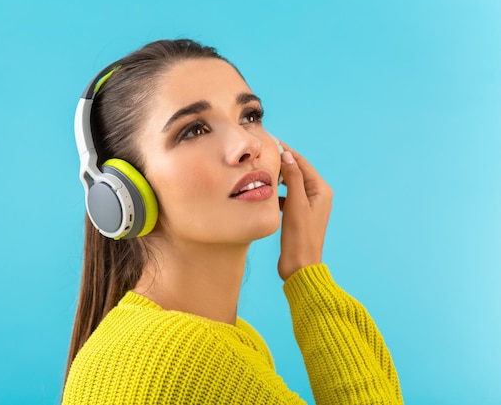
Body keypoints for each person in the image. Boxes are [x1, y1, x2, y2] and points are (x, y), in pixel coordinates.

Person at [62, 39, 403, 404]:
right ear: (123, 191)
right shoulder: (179, 355)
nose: (247, 144)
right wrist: (308, 275)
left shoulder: (226, 339)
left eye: (250, 116)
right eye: (193, 130)